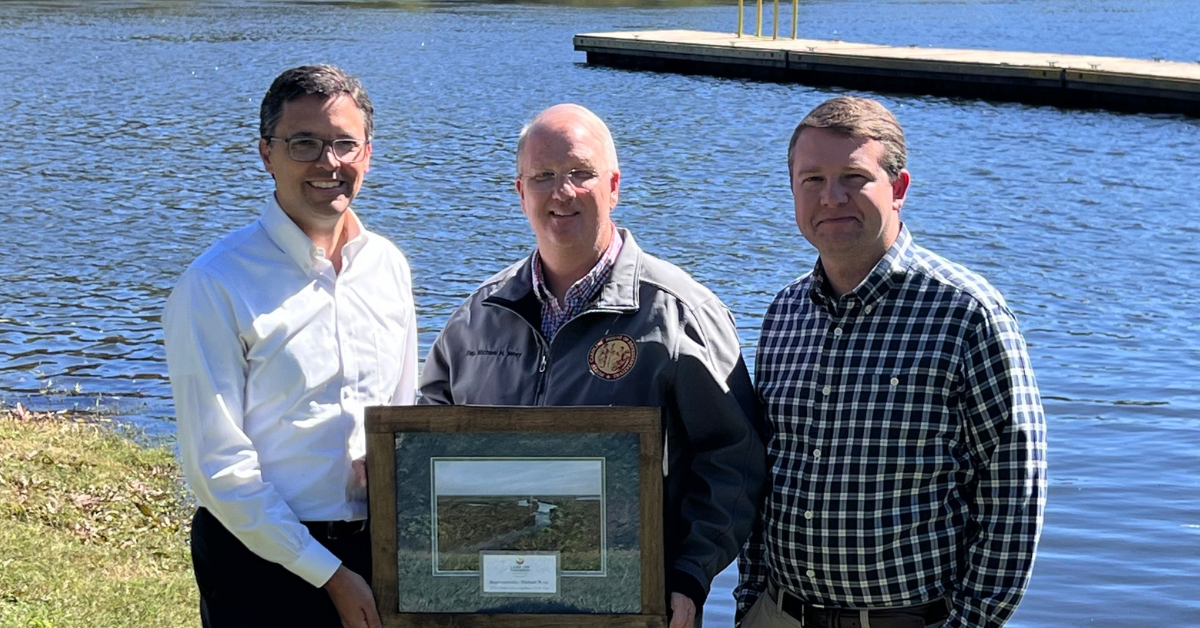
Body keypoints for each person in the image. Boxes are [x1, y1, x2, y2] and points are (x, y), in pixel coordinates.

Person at [419, 103, 765, 628]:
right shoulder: (476, 318)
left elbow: (733, 458)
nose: (563, 192)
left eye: (581, 173)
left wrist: (690, 578)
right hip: (493, 606)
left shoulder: (679, 313)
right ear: (520, 192)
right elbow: (426, 449)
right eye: (544, 176)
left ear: (614, 185)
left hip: (631, 608)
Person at [736, 96, 1047, 628]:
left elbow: (1013, 493)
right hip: (779, 613)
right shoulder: (784, 313)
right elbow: (764, 473)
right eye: (812, 179)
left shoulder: (967, 313)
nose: (831, 197)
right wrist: (750, 601)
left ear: (898, 189)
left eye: (853, 177)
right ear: (792, 190)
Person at [162, 65, 418, 628]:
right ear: (266, 154)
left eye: (345, 144)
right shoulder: (216, 284)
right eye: (303, 143)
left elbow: (401, 413)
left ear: (368, 154)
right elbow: (218, 468)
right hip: (259, 558)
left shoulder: (388, 267)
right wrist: (327, 573)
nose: (329, 163)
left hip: (372, 550)